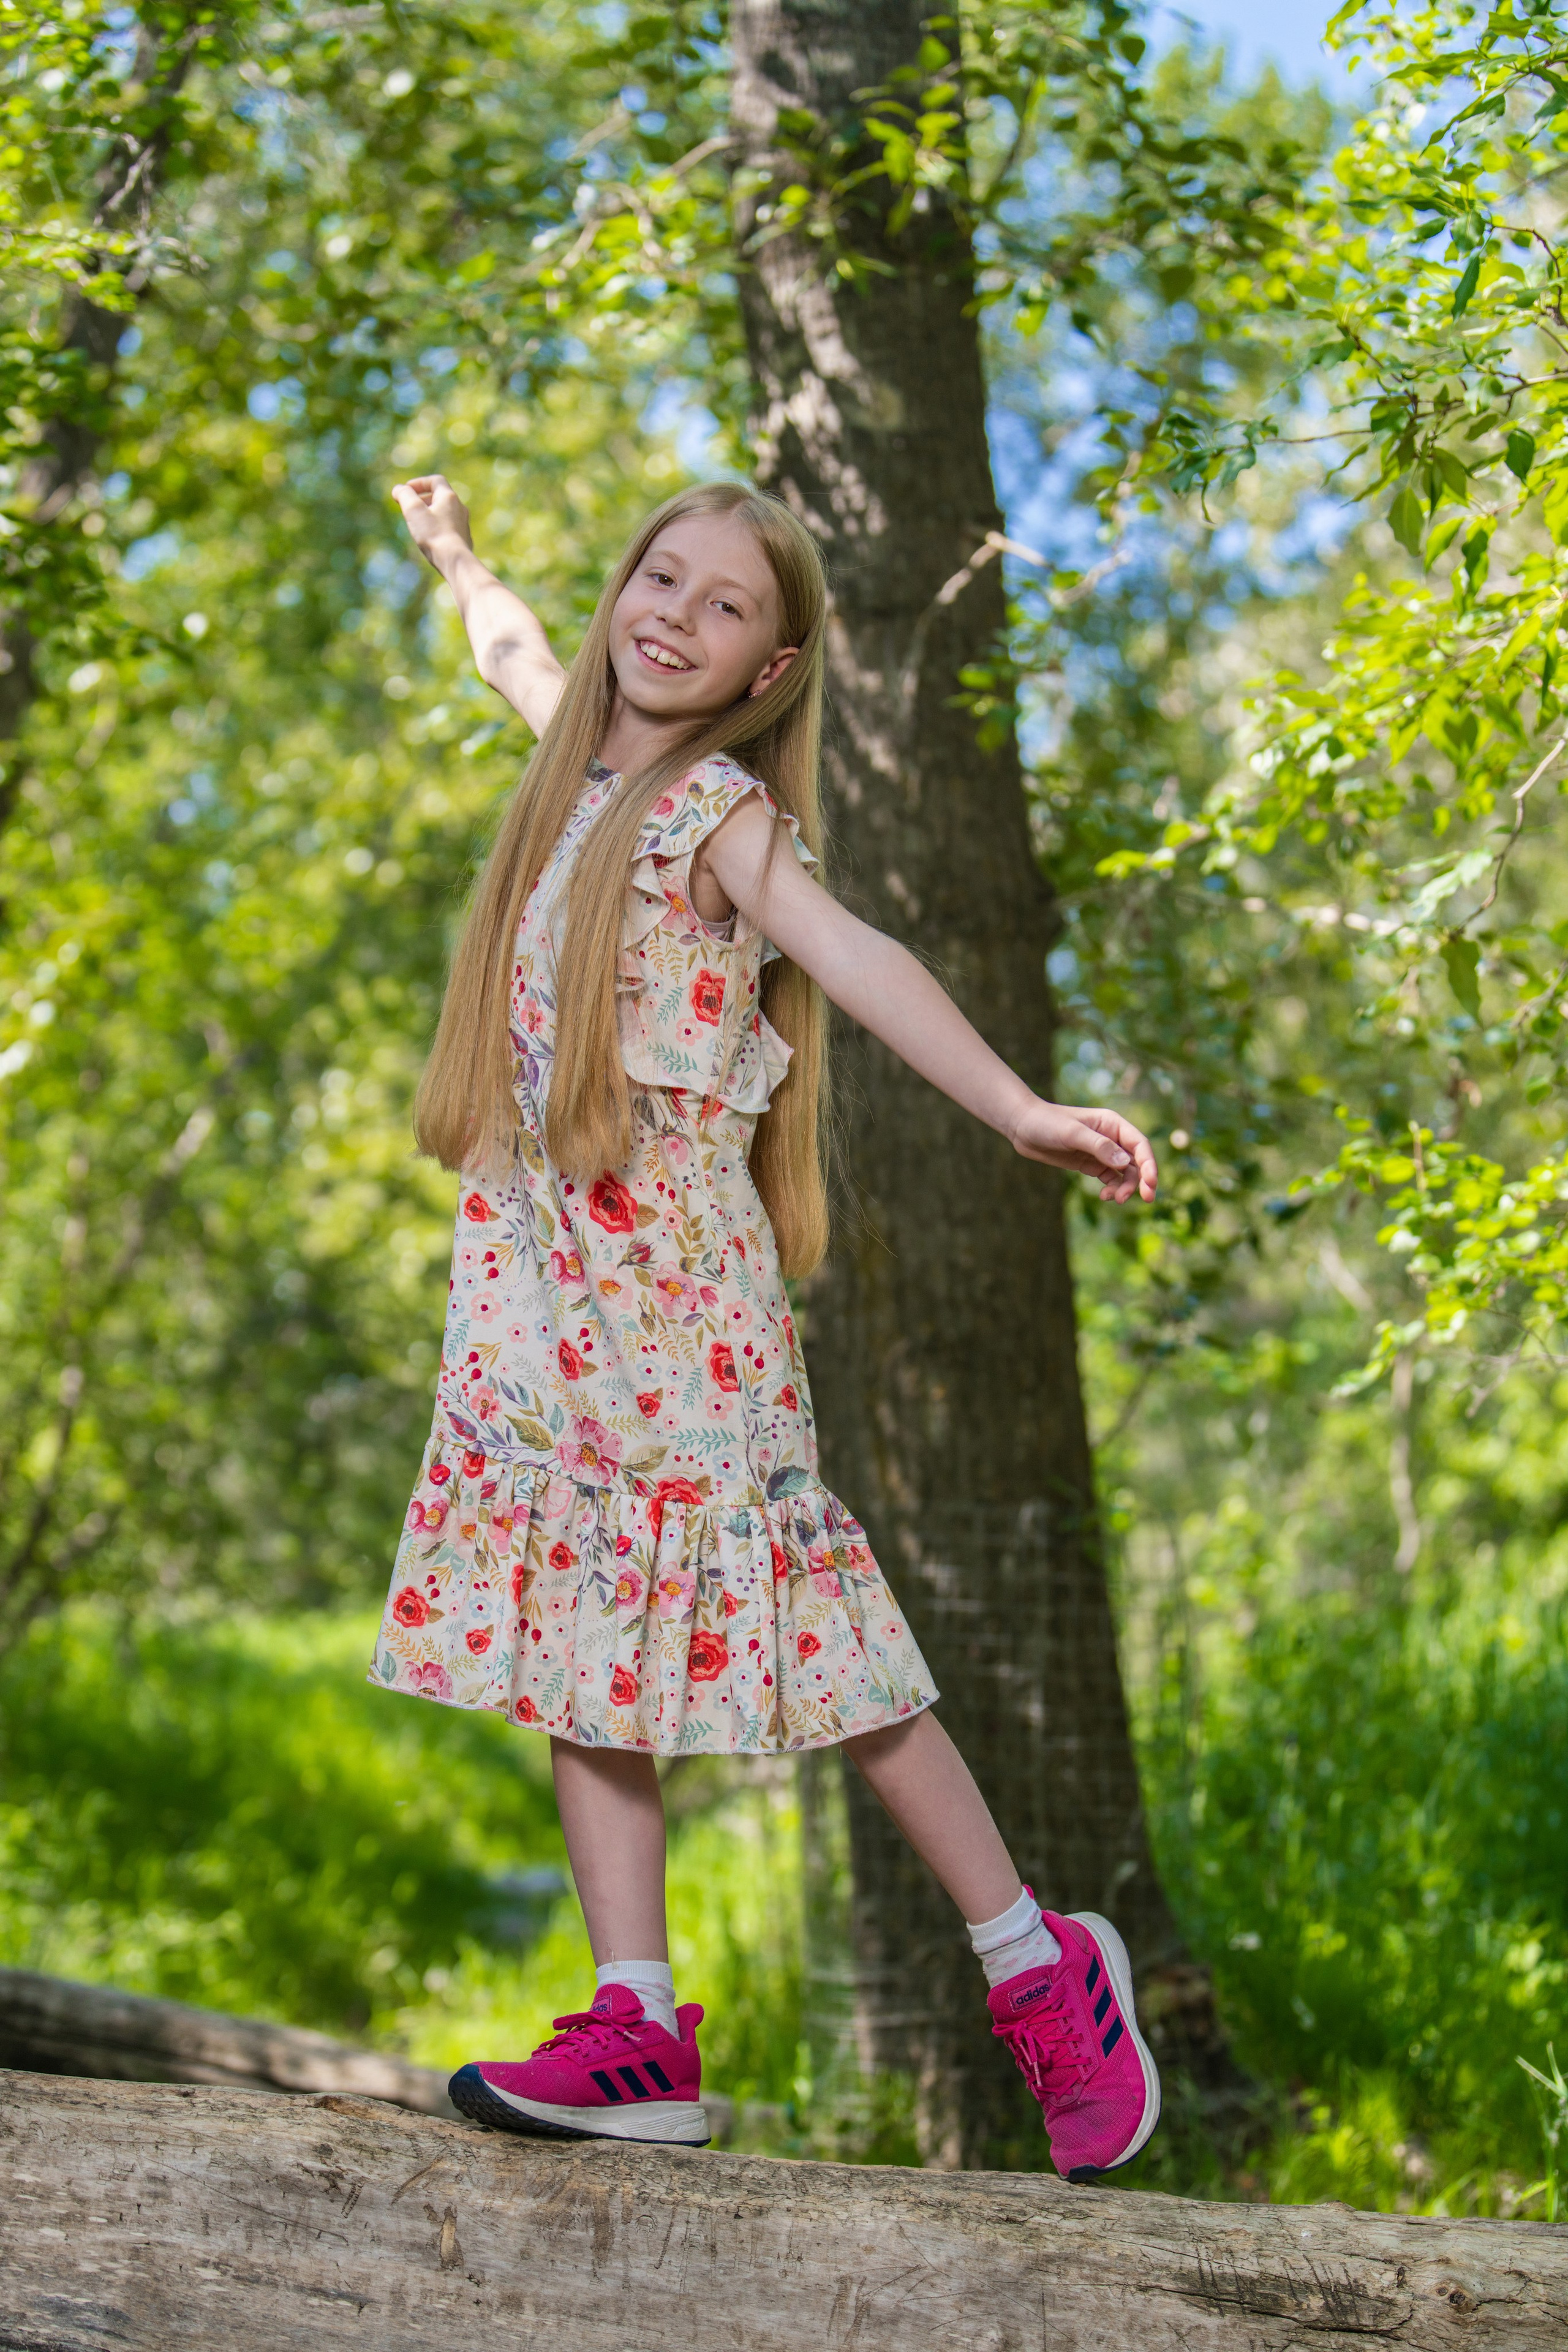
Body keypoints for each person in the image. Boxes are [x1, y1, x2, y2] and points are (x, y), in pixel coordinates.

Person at [373, 472, 1162, 2179]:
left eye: (721, 604)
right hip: (541, 1303)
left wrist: (1022, 1111)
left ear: (768, 664)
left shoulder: (713, 814)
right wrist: (450, 546)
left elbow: (858, 954)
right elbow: (509, 637)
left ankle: (1042, 1970)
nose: (672, 614)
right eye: (657, 576)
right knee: (590, 1653)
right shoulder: (568, 763)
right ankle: (639, 2028)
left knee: (827, 1661)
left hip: (682, 1308)